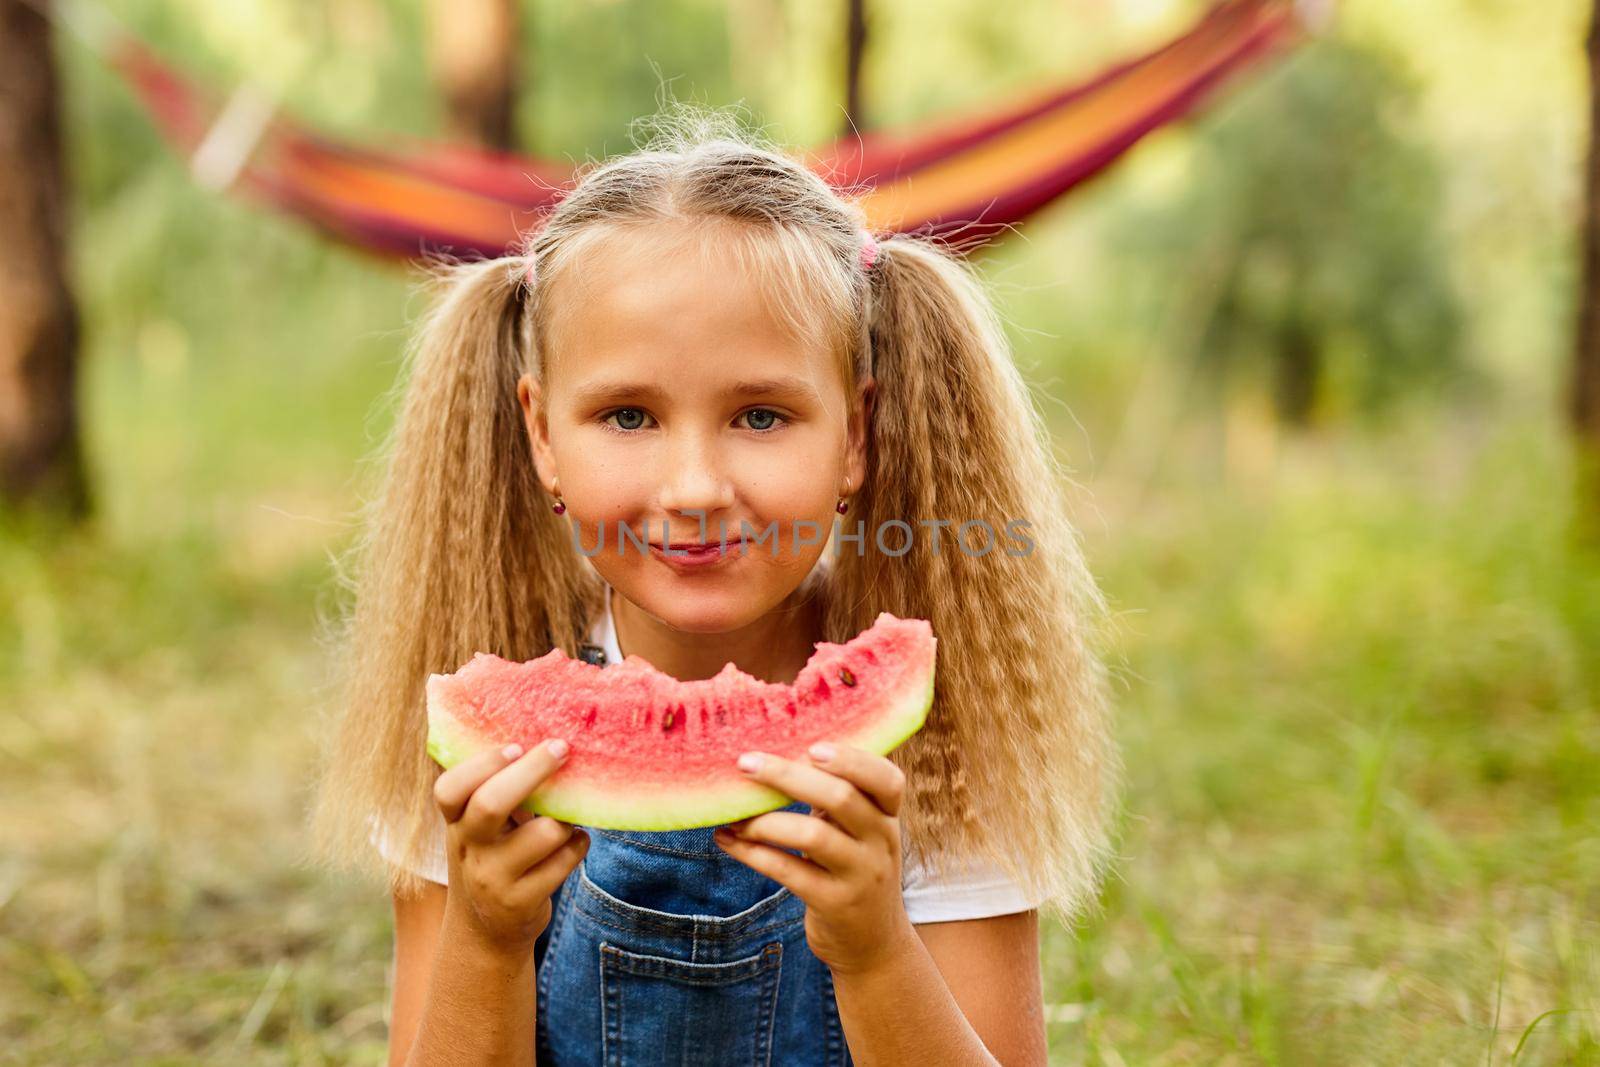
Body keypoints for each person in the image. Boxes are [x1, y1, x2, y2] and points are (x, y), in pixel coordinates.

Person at [309, 108, 1120, 1066]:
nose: (694, 489)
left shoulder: (940, 746)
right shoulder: (479, 745)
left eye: (763, 416)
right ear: (541, 437)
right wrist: (486, 938)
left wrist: (873, 951)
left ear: (856, 435)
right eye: (627, 416)